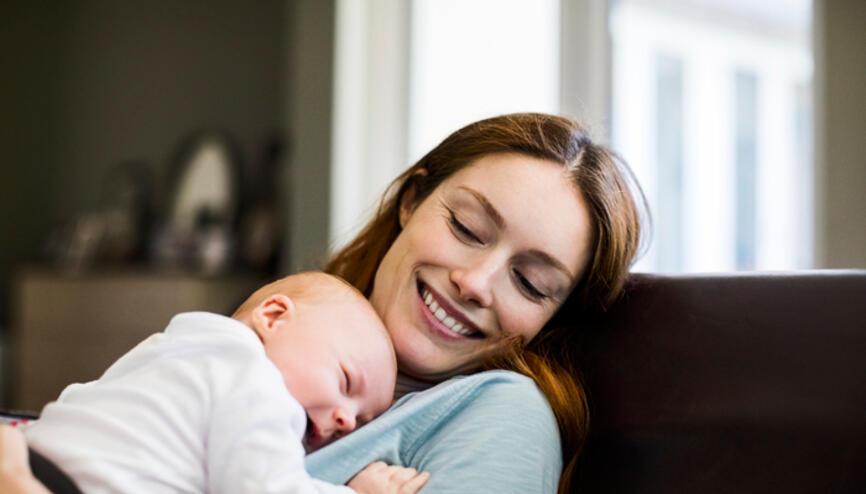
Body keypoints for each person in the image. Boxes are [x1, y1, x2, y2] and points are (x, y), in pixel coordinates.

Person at [1, 112, 645, 493]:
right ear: (412, 200)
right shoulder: (272, 342)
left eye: (532, 284)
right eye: (468, 229)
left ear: (552, 321)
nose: (476, 282)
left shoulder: (503, 414)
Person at [23, 272, 430, 494]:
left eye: (360, 421)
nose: (346, 420)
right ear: (272, 317)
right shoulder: (254, 378)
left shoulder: (177, 347)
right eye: (345, 381)